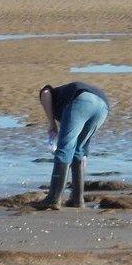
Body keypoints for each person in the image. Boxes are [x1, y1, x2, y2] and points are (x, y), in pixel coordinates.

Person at [35, 81, 110, 209]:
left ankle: (54, 199)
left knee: (64, 148)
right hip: (103, 105)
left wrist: (52, 124)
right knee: (80, 150)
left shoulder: (52, 92)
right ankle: (77, 200)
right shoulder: (64, 97)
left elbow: (45, 92)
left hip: (81, 100)